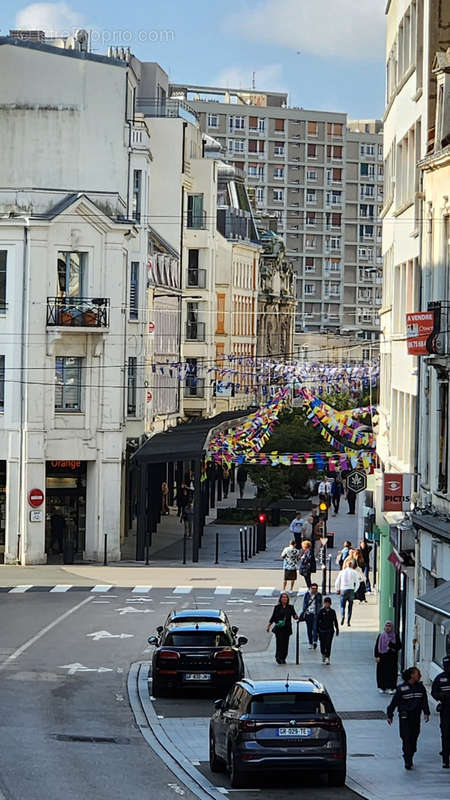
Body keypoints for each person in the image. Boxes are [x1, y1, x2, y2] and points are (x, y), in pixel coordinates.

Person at [387, 666, 430, 770]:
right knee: (406, 738)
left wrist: (426, 713)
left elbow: (424, 701)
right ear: (411, 675)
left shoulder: (420, 687)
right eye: (417, 673)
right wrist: (390, 715)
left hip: (415, 717)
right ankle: (407, 759)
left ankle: (411, 753)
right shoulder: (401, 688)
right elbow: (394, 703)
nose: (419, 675)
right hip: (405, 717)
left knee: (414, 737)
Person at [266, 592, 298, 664]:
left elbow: (294, 615)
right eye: (283, 597)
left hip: (287, 628)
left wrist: (296, 616)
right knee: (279, 643)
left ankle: (283, 657)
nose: (284, 599)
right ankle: (278, 657)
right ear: (280, 599)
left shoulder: (290, 607)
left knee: (285, 644)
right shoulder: (277, 607)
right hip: (279, 628)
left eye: (286, 597)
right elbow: (273, 617)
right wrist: (269, 625)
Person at [431, 655, 450, 768]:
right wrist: (441, 696)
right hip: (446, 710)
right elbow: (434, 693)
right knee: (446, 733)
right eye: (446, 666)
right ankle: (445, 758)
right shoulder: (439, 679)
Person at [374, 621, 401, 693]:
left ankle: (391, 687)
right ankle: (382, 687)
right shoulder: (381, 636)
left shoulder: (395, 636)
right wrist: (377, 656)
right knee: (382, 672)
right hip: (382, 657)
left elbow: (399, 646)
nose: (388, 628)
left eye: (389, 626)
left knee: (391, 672)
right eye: (386, 626)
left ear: (392, 627)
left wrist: (390, 644)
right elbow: (377, 647)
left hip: (392, 658)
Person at [335, 559, 360, 626]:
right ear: (352, 565)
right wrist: (355, 590)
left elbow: (337, 581)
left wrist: (337, 589)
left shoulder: (342, 572)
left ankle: (342, 616)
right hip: (351, 589)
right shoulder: (354, 572)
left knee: (342, 606)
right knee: (350, 606)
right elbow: (357, 582)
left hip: (343, 589)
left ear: (346, 565)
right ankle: (348, 621)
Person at [317, 596, 339, 664]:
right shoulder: (321, 611)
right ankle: (323, 653)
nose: (327, 604)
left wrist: (337, 628)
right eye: (325, 603)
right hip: (322, 630)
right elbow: (317, 621)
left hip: (330, 630)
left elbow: (335, 620)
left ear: (330, 604)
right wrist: (317, 631)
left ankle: (327, 657)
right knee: (322, 645)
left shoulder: (332, 612)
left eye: (328, 603)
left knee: (328, 644)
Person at [301, 582, 322, 650]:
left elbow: (320, 604)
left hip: (315, 614)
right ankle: (310, 642)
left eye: (315, 589)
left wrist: (319, 613)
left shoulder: (318, 595)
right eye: (313, 588)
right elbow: (304, 604)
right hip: (308, 614)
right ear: (310, 588)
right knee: (309, 629)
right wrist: (304, 612)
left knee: (315, 628)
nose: (314, 590)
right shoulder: (307, 595)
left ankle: (315, 641)